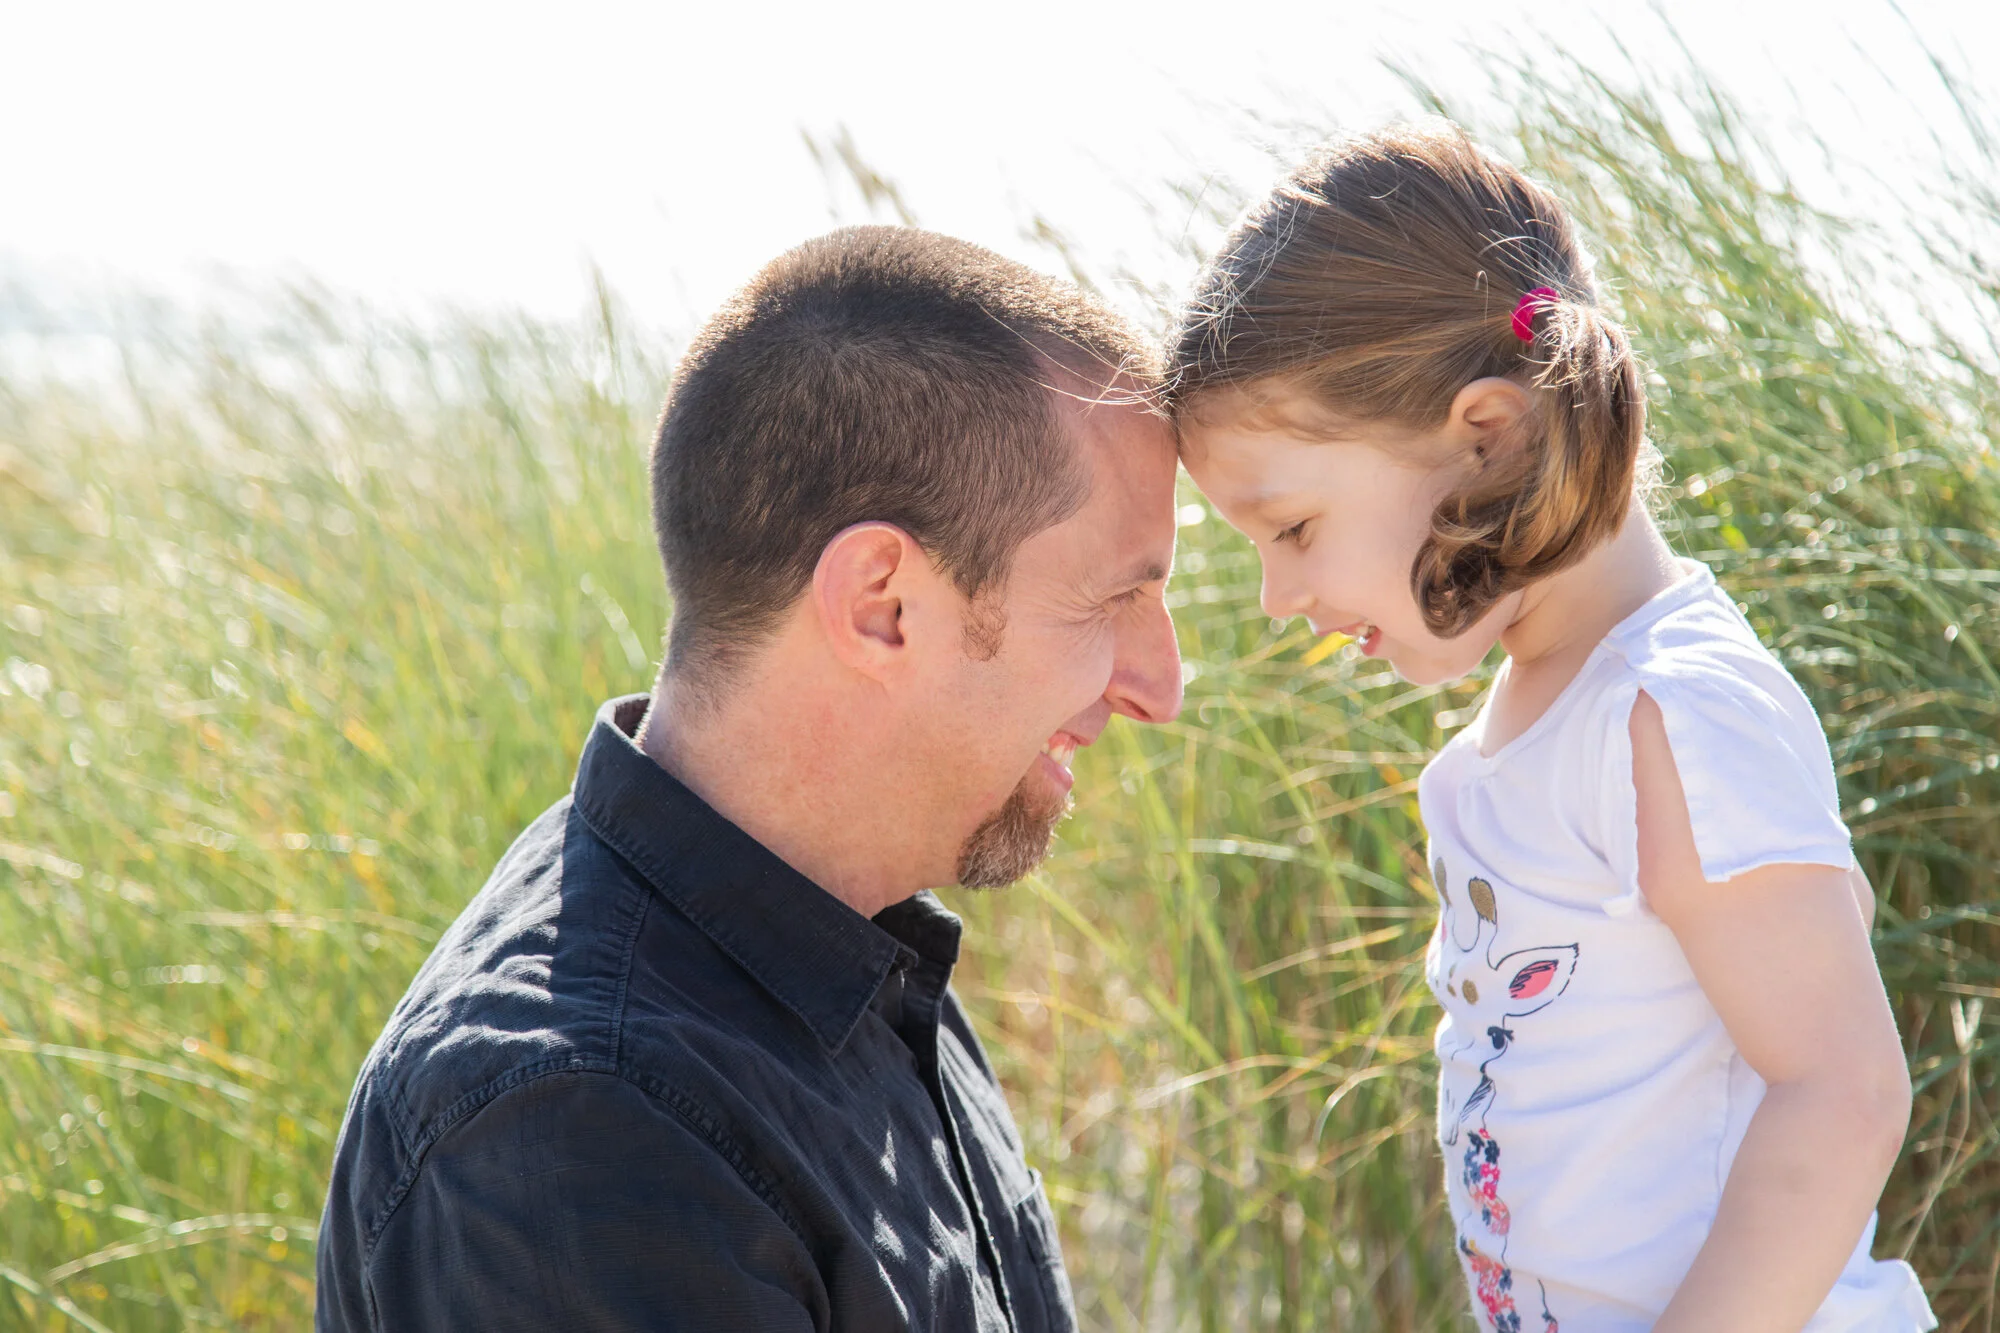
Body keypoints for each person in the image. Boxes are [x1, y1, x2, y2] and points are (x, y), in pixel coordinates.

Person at [315, 225, 1184, 1331]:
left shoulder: (851, 934)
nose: (1162, 687)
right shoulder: (585, 1131)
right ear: (881, 604)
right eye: (1113, 599)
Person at [1166, 125, 1936, 1332]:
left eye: (1294, 529)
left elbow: (1840, 1093)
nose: (1276, 596)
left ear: (1492, 436)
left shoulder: (1668, 713)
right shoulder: (1519, 734)